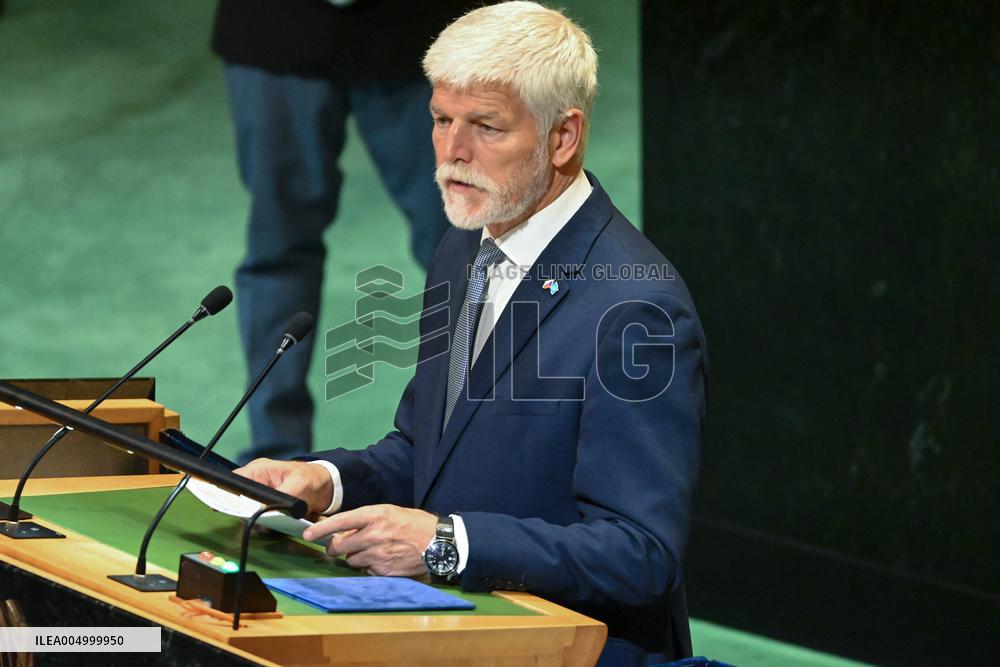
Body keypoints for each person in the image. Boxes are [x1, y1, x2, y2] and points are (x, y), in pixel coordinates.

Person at [238, 2, 708, 664]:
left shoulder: (639, 307)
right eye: (440, 120)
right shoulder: (463, 251)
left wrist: (445, 544)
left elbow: (639, 552)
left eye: (486, 127)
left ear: (563, 137)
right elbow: (425, 452)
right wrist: (322, 478)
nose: (452, 151)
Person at [211, 0, 476, 463]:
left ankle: (473, 447)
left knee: (465, 248)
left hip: (427, 29)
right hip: (275, 31)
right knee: (278, 249)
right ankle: (275, 460)